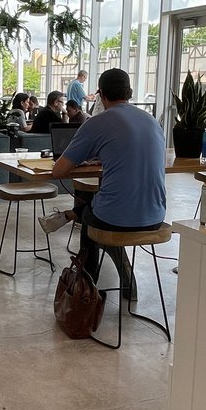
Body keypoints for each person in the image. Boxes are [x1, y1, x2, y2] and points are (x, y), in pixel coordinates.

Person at [42, 68, 165, 294]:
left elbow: (59, 171)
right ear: (128, 92)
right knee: (99, 204)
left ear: (100, 94)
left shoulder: (97, 123)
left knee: (91, 220)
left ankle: (86, 289)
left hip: (116, 218)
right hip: (156, 216)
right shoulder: (151, 121)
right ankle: (126, 284)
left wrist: (79, 162)